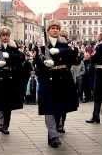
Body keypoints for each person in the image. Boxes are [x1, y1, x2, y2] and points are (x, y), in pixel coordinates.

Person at [35, 20, 79, 148]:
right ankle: (54, 136)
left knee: (59, 109)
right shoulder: (42, 45)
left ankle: (52, 135)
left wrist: (59, 52)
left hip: (62, 80)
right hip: (48, 80)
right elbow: (37, 63)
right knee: (49, 109)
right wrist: (43, 63)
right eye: (52, 28)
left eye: (57, 28)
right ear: (48, 30)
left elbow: (73, 59)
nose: (55, 30)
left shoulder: (64, 45)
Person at [0, 26, 25, 135]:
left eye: (7, 35)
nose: (5, 37)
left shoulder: (13, 48)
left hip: (9, 80)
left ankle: (5, 125)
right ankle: (0, 124)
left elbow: (21, 58)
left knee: (8, 106)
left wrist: (8, 55)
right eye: (3, 35)